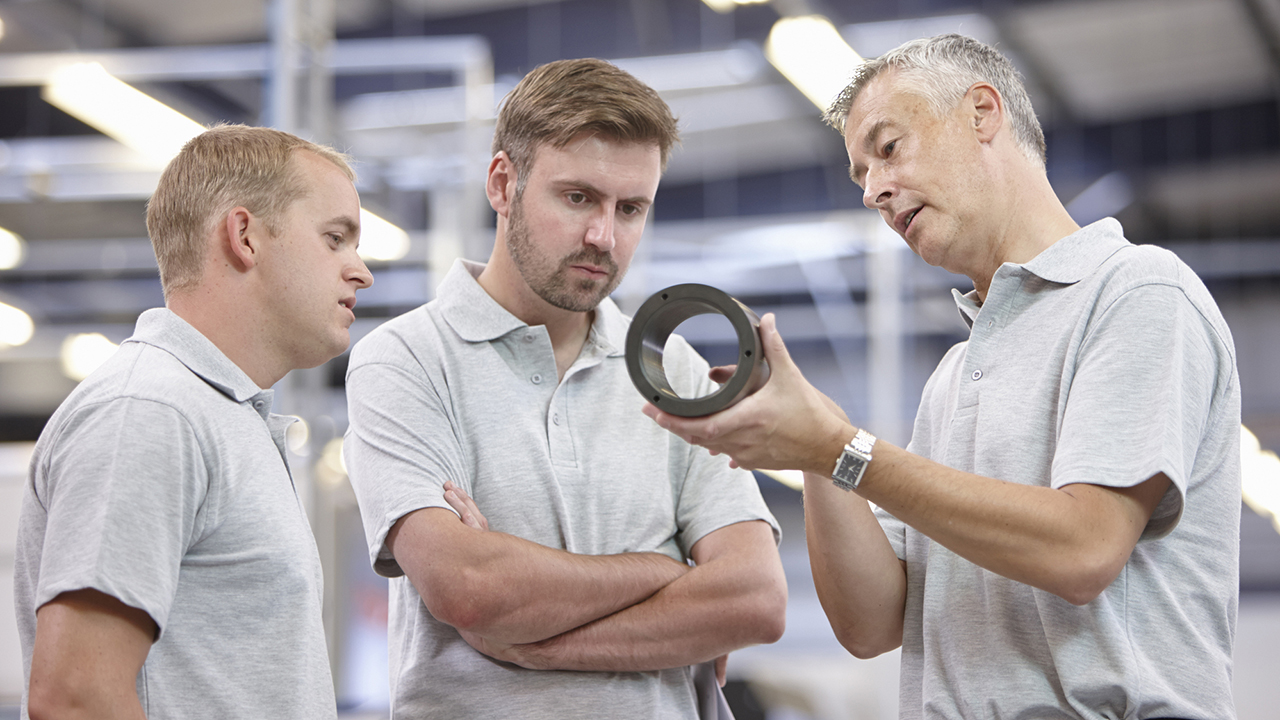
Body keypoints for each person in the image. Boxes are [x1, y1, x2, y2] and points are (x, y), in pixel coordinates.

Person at [645, 34, 1240, 720]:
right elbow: (873, 624)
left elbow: (1085, 548)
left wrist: (842, 447)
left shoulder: (1137, 293)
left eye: (888, 147)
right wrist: (812, 450)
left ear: (983, 113)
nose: (873, 190)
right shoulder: (955, 375)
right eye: (860, 173)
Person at [343, 57, 787, 719]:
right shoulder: (404, 361)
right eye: (578, 197)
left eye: (630, 208)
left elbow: (754, 598)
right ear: (503, 183)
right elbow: (468, 588)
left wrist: (537, 645)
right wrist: (664, 574)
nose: (603, 236)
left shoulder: (677, 372)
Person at [15, 124, 374, 719]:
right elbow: (75, 698)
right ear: (245, 237)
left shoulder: (215, 415)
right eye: (335, 238)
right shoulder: (152, 412)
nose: (361, 271)